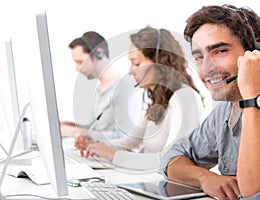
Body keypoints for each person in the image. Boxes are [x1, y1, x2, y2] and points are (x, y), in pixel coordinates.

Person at [161, 4, 260, 200]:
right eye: (199, 57)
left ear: (255, 51)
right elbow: (172, 158)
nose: (207, 68)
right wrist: (205, 178)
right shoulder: (226, 110)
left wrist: (254, 95)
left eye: (220, 51)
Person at [74, 26, 206, 171]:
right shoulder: (158, 99)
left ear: (160, 61)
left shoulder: (184, 97)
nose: (130, 71)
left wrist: (113, 155)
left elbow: (173, 159)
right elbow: (131, 142)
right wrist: (96, 145)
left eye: (136, 63)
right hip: (151, 184)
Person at [61, 31, 144, 141]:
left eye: (80, 62)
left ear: (99, 54)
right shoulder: (99, 89)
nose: (78, 69)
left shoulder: (124, 88)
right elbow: (98, 129)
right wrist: (71, 126)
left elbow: (126, 137)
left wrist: (76, 132)